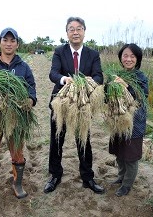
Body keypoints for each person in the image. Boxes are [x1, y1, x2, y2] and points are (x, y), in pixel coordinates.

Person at [44, 16, 104, 194]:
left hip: (83, 104)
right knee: (57, 139)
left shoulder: (93, 54)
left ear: (84, 31)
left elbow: (99, 76)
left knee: (83, 140)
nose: (75, 32)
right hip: (61, 102)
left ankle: (88, 177)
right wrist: (64, 79)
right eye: (71, 29)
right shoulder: (59, 51)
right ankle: (55, 175)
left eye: (79, 28)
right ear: (67, 33)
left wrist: (89, 81)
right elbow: (53, 73)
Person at [0, 27, 37, 205]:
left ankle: (17, 184)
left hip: (16, 116)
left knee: (18, 153)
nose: (9, 44)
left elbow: (31, 87)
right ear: (0, 43)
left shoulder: (23, 67)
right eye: (5, 40)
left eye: (12, 41)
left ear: (17, 44)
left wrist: (30, 100)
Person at [108, 43, 149, 197]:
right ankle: (121, 177)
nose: (128, 59)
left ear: (137, 59)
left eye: (132, 56)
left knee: (130, 156)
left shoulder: (141, 77)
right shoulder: (116, 75)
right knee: (119, 153)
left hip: (134, 123)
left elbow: (142, 97)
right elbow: (108, 96)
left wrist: (125, 86)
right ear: (121, 58)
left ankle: (127, 185)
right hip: (118, 121)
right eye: (125, 55)